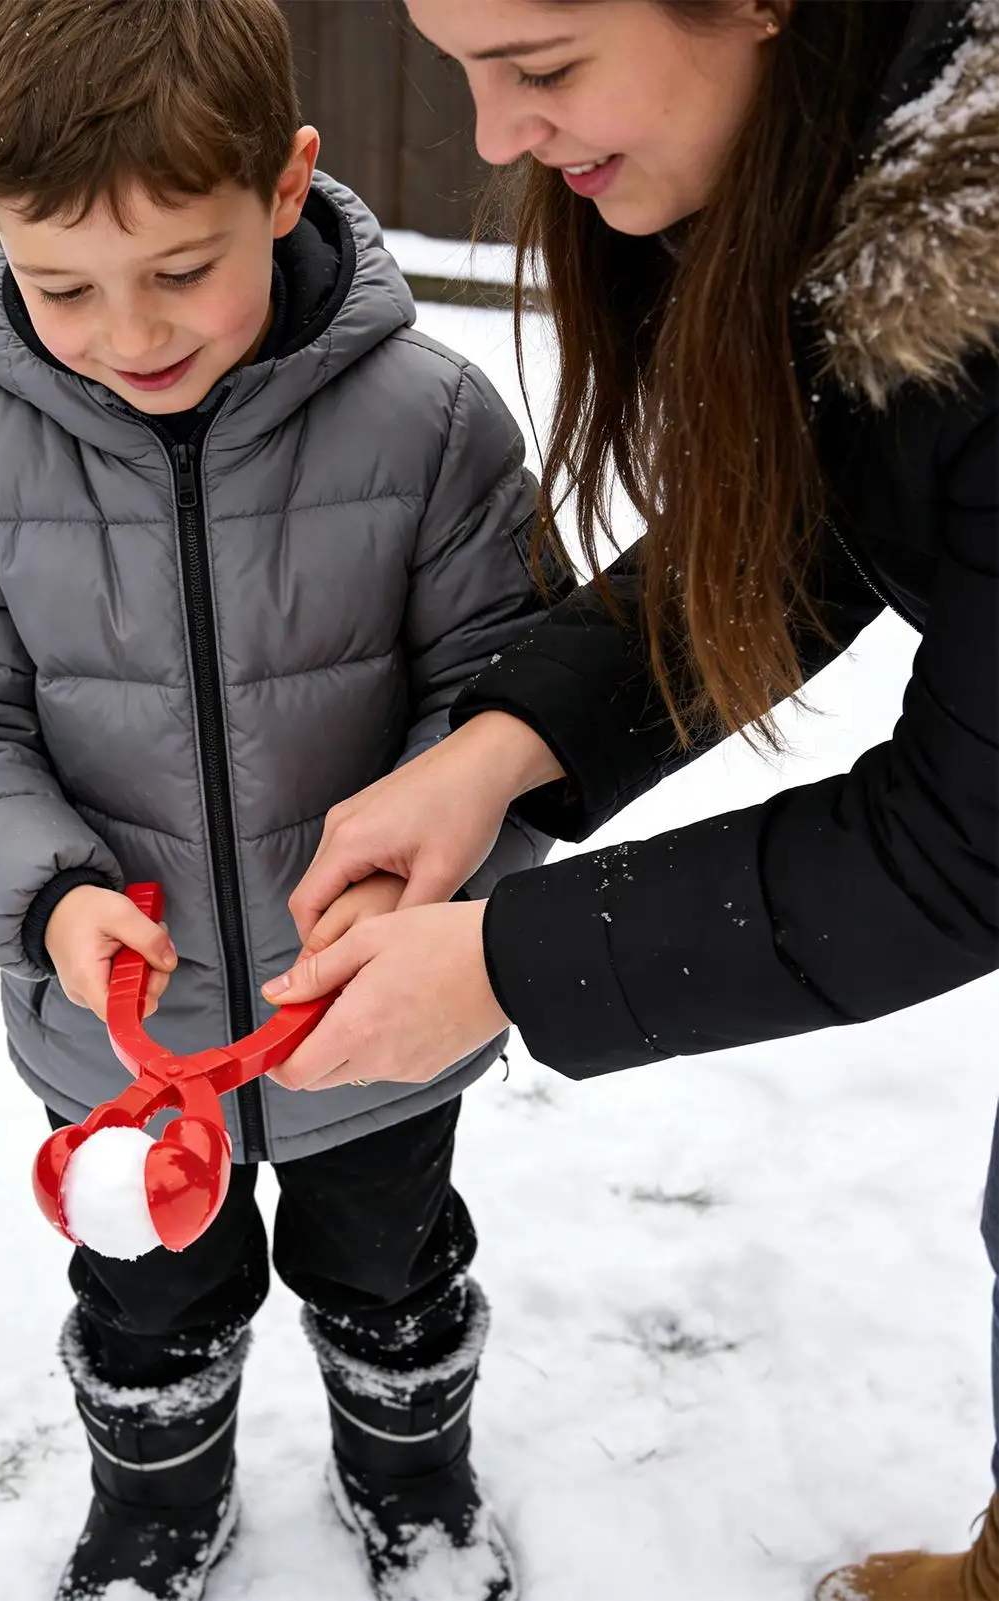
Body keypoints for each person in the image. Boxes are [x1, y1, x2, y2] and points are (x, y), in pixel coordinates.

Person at [257, 2, 999, 1597]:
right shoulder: (888, 199)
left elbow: (965, 846)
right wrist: (508, 743)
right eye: (465, 68)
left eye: (538, 66)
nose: (490, 138)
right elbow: (830, 526)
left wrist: (501, 966)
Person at [0, 2, 563, 1595]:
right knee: (148, 1300)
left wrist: (435, 884)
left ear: (288, 185)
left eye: (182, 268)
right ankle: (160, 1507)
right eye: (61, 286)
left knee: (390, 1269)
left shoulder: (430, 427)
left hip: (371, 1018)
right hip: (121, 1039)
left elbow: (514, 699)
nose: (127, 331)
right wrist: (43, 896)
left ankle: (415, 1488)